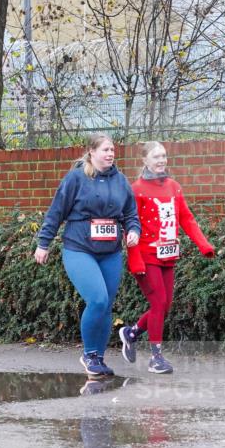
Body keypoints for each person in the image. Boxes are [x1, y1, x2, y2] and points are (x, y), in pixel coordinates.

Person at [34, 133, 140, 378]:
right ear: (91, 152)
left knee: (106, 307)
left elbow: (131, 214)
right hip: (79, 248)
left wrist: (133, 230)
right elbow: (56, 211)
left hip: (110, 252)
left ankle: (99, 360)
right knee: (99, 300)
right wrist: (44, 243)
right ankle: (89, 354)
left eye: (112, 150)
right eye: (105, 150)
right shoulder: (76, 178)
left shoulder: (121, 181)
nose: (110, 154)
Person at [119, 141, 215, 374]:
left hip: (168, 256)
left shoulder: (174, 186)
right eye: (156, 156)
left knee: (164, 305)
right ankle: (156, 357)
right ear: (145, 161)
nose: (161, 160)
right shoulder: (136, 189)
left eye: (163, 156)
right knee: (159, 303)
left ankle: (131, 333)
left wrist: (204, 246)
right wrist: (135, 260)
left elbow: (187, 218)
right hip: (145, 256)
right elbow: (130, 226)